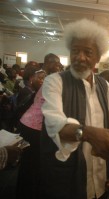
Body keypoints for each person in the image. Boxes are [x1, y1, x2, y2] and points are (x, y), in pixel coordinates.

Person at [40, 19, 109, 199]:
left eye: (88, 52)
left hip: (101, 174)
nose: (80, 57)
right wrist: (88, 133)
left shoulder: (104, 85)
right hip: (69, 176)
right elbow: (56, 125)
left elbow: (105, 124)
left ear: (98, 56)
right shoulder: (55, 81)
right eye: (75, 51)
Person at [16, 54, 60, 199]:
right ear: (48, 62)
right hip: (33, 127)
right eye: (56, 64)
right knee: (32, 165)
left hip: (30, 123)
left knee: (30, 164)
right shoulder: (47, 78)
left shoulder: (46, 77)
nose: (59, 67)